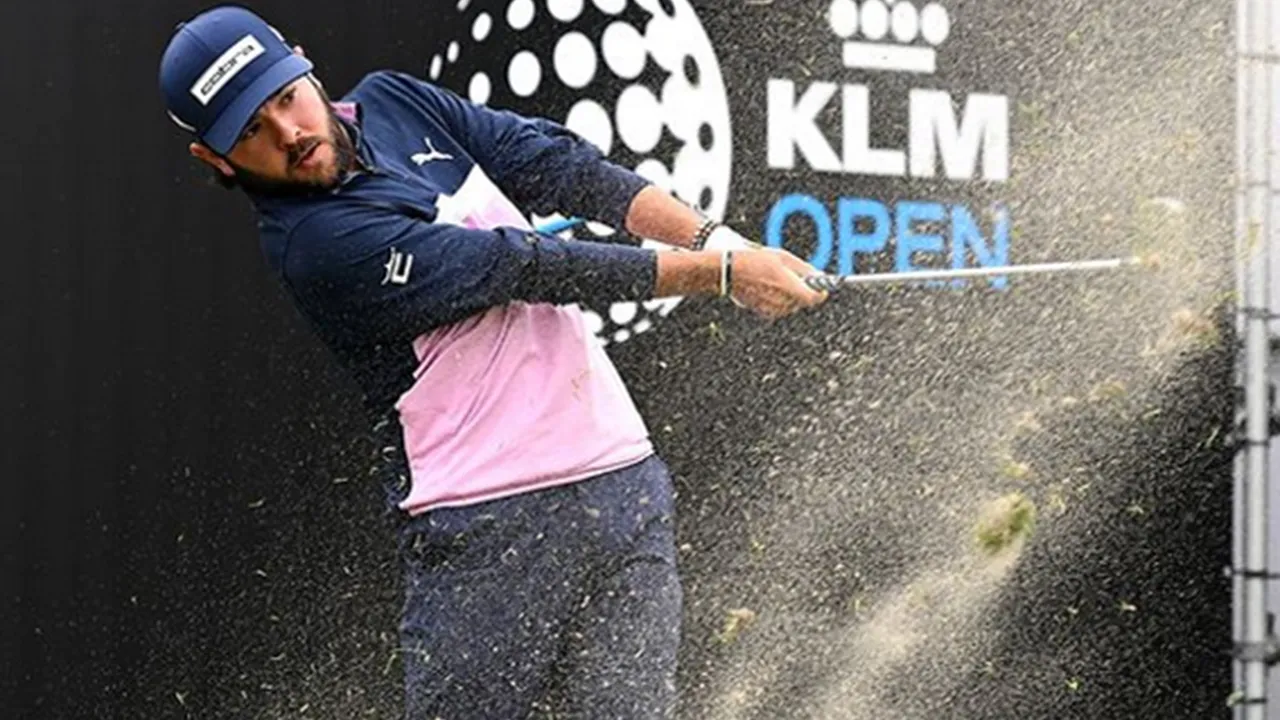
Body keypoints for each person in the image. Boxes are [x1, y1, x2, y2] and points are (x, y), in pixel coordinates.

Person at [158, 5, 828, 718]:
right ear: (215, 157)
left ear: (301, 61)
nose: (290, 134)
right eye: (252, 131)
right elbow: (517, 266)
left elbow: (559, 167)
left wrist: (718, 239)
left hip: (620, 483)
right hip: (485, 530)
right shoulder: (314, 246)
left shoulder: (394, 100)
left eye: (285, 98)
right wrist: (719, 273)